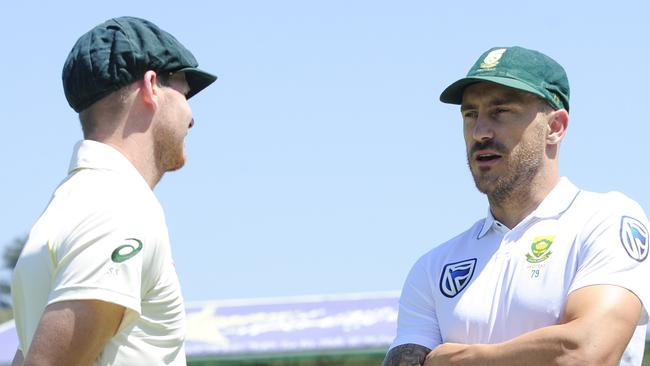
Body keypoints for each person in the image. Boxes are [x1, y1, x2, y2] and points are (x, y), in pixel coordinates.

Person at [383, 46, 650, 366]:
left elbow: (586, 351)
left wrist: (452, 358)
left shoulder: (605, 219)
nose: (480, 132)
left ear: (555, 127)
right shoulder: (433, 267)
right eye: (470, 115)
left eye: (501, 111)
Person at [10, 16, 216, 365]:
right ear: (152, 86)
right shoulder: (120, 209)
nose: (192, 117)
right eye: (184, 92)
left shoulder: (65, 207)